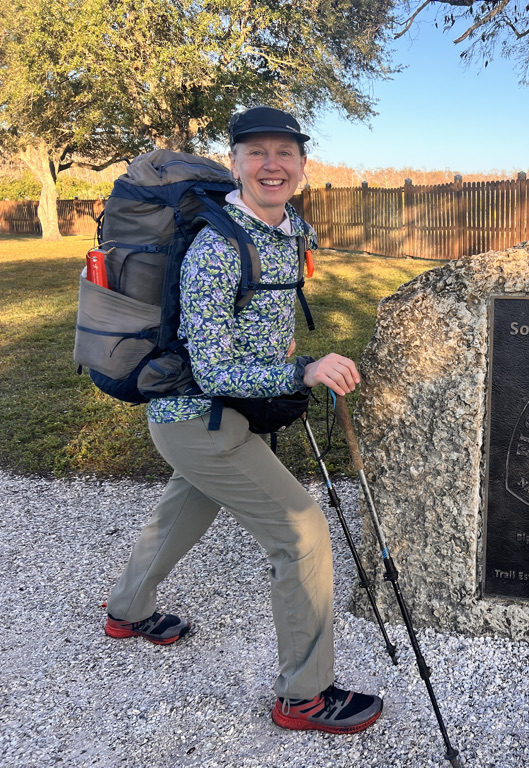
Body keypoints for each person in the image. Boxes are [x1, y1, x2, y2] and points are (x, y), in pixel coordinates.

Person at [103, 105, 383, 735]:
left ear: (303, 167)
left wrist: (281, 353)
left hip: (225, 417)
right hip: (200, 416)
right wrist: (302, 371)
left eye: (284, 152)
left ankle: (126, 611)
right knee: (304, 530)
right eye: (255, 152)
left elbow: (260, 322)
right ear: (234, 164)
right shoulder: (216, 246)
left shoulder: (287, 231)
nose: (271, 164)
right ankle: (304, 697)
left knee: (184, 508)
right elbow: (213, 368)